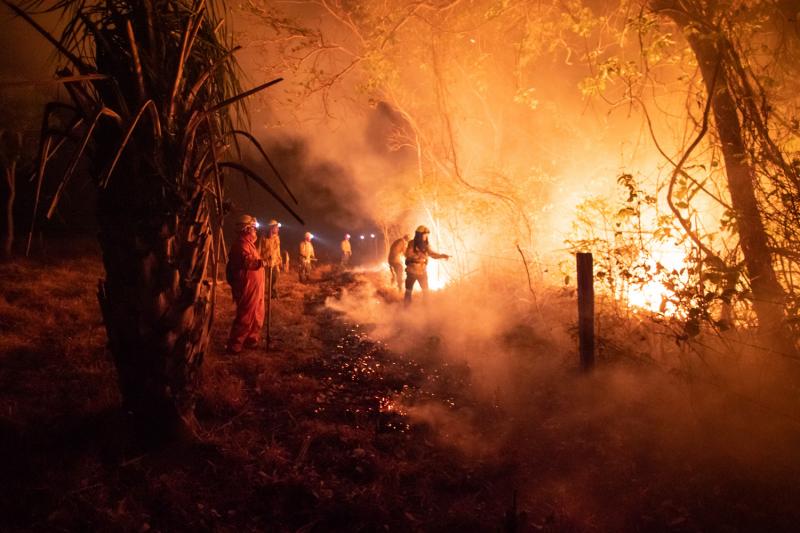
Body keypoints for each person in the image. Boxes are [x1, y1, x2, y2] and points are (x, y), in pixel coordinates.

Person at [226, 214, 265, 353]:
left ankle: (251, 340)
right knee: (246, 314)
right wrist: (262, 262)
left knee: (257, 313)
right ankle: (235, 345)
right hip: (247, 286)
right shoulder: (240, 245)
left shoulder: (249, 245)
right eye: (253, 228)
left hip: (256, 286)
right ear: (246, 229)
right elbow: (247, 262)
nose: (255, 231)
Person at [404, 225, 449, 304]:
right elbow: (408, 254)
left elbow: (432, 254)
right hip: (411, 272)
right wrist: (420, 254)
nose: (426, 236)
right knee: (408, 291)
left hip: (422, 272)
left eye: (427, 235)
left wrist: (442, 256)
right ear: (419, 235)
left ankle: (426, 308)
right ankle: (406, 308)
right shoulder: (412, 243)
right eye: (425, 235)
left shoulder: (426, 245)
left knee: (426, 292)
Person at [259, 219, 282, 299]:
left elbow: (278, 250)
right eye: (276, 227)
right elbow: (259, 249)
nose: (278, 229)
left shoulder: (277, 238)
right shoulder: (263, 237)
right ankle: (261, 295)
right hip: (265, 262)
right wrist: (259, 260)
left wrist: (279, 261)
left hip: (274, 262)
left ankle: (273, 294)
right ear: (272, 228)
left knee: (274, 278)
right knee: (263, 280)